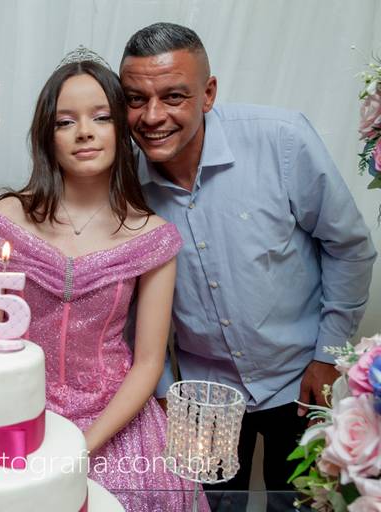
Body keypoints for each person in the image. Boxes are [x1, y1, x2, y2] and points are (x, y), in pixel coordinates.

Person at [119, 23, 378, 511]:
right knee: (207, 507)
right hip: (201, 399)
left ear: (208, 93)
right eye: (136, 99)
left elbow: (348, 247)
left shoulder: (282, 140)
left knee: (304, 504)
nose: (152, 116)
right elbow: (126, 300)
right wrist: (161, 391)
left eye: (173, 96)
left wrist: (327, 355)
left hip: (303, 381)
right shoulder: (121, 182)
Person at [0, 52, 208, 511]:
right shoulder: (3, 221)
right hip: (16, 413)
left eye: (101, 117)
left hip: (114, 424)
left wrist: (80, 448)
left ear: (122, 129)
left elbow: (148, 363)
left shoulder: (152, 236)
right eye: (65, 121)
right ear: (48, 135)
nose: (84, 131)